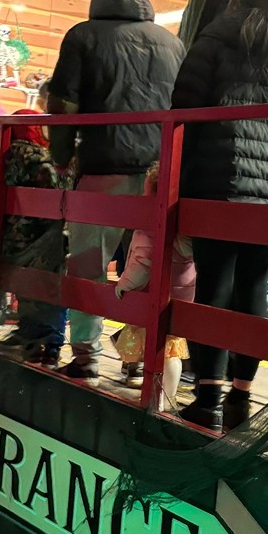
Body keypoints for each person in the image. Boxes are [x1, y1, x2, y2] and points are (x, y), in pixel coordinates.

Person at [170, 0, 268, 432]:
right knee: (253, 285)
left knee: (214, 286)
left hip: (219, 178)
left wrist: (179, 179)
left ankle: (207, 397)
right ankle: (240, 399)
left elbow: (184, 107)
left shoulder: (220, 35)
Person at [46, 0, 184, 381]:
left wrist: (60, 154)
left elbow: (63, 102)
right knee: (145, 266)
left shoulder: (82, 36)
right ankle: (136, 357)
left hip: (104, 165)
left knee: (88, 264)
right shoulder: (172, 42)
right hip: (159, 172)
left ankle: (86, 356)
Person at [112, 167, 197, 409]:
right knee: (173, 351)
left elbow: (142, 260)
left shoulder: (150, 224)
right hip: (182, 295)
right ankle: (167, 397)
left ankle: (155, 397)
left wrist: (124, 285)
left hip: (153, 295)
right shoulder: (186, 226)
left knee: (157, 349)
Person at [0, 113, 69, 366]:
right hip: (40, 235)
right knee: (50, 288)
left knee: (26, 290)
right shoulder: (39, 158)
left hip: (12, 236)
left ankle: (30, 340)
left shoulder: (5, 154)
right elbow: (57, 192)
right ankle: (50, 345)